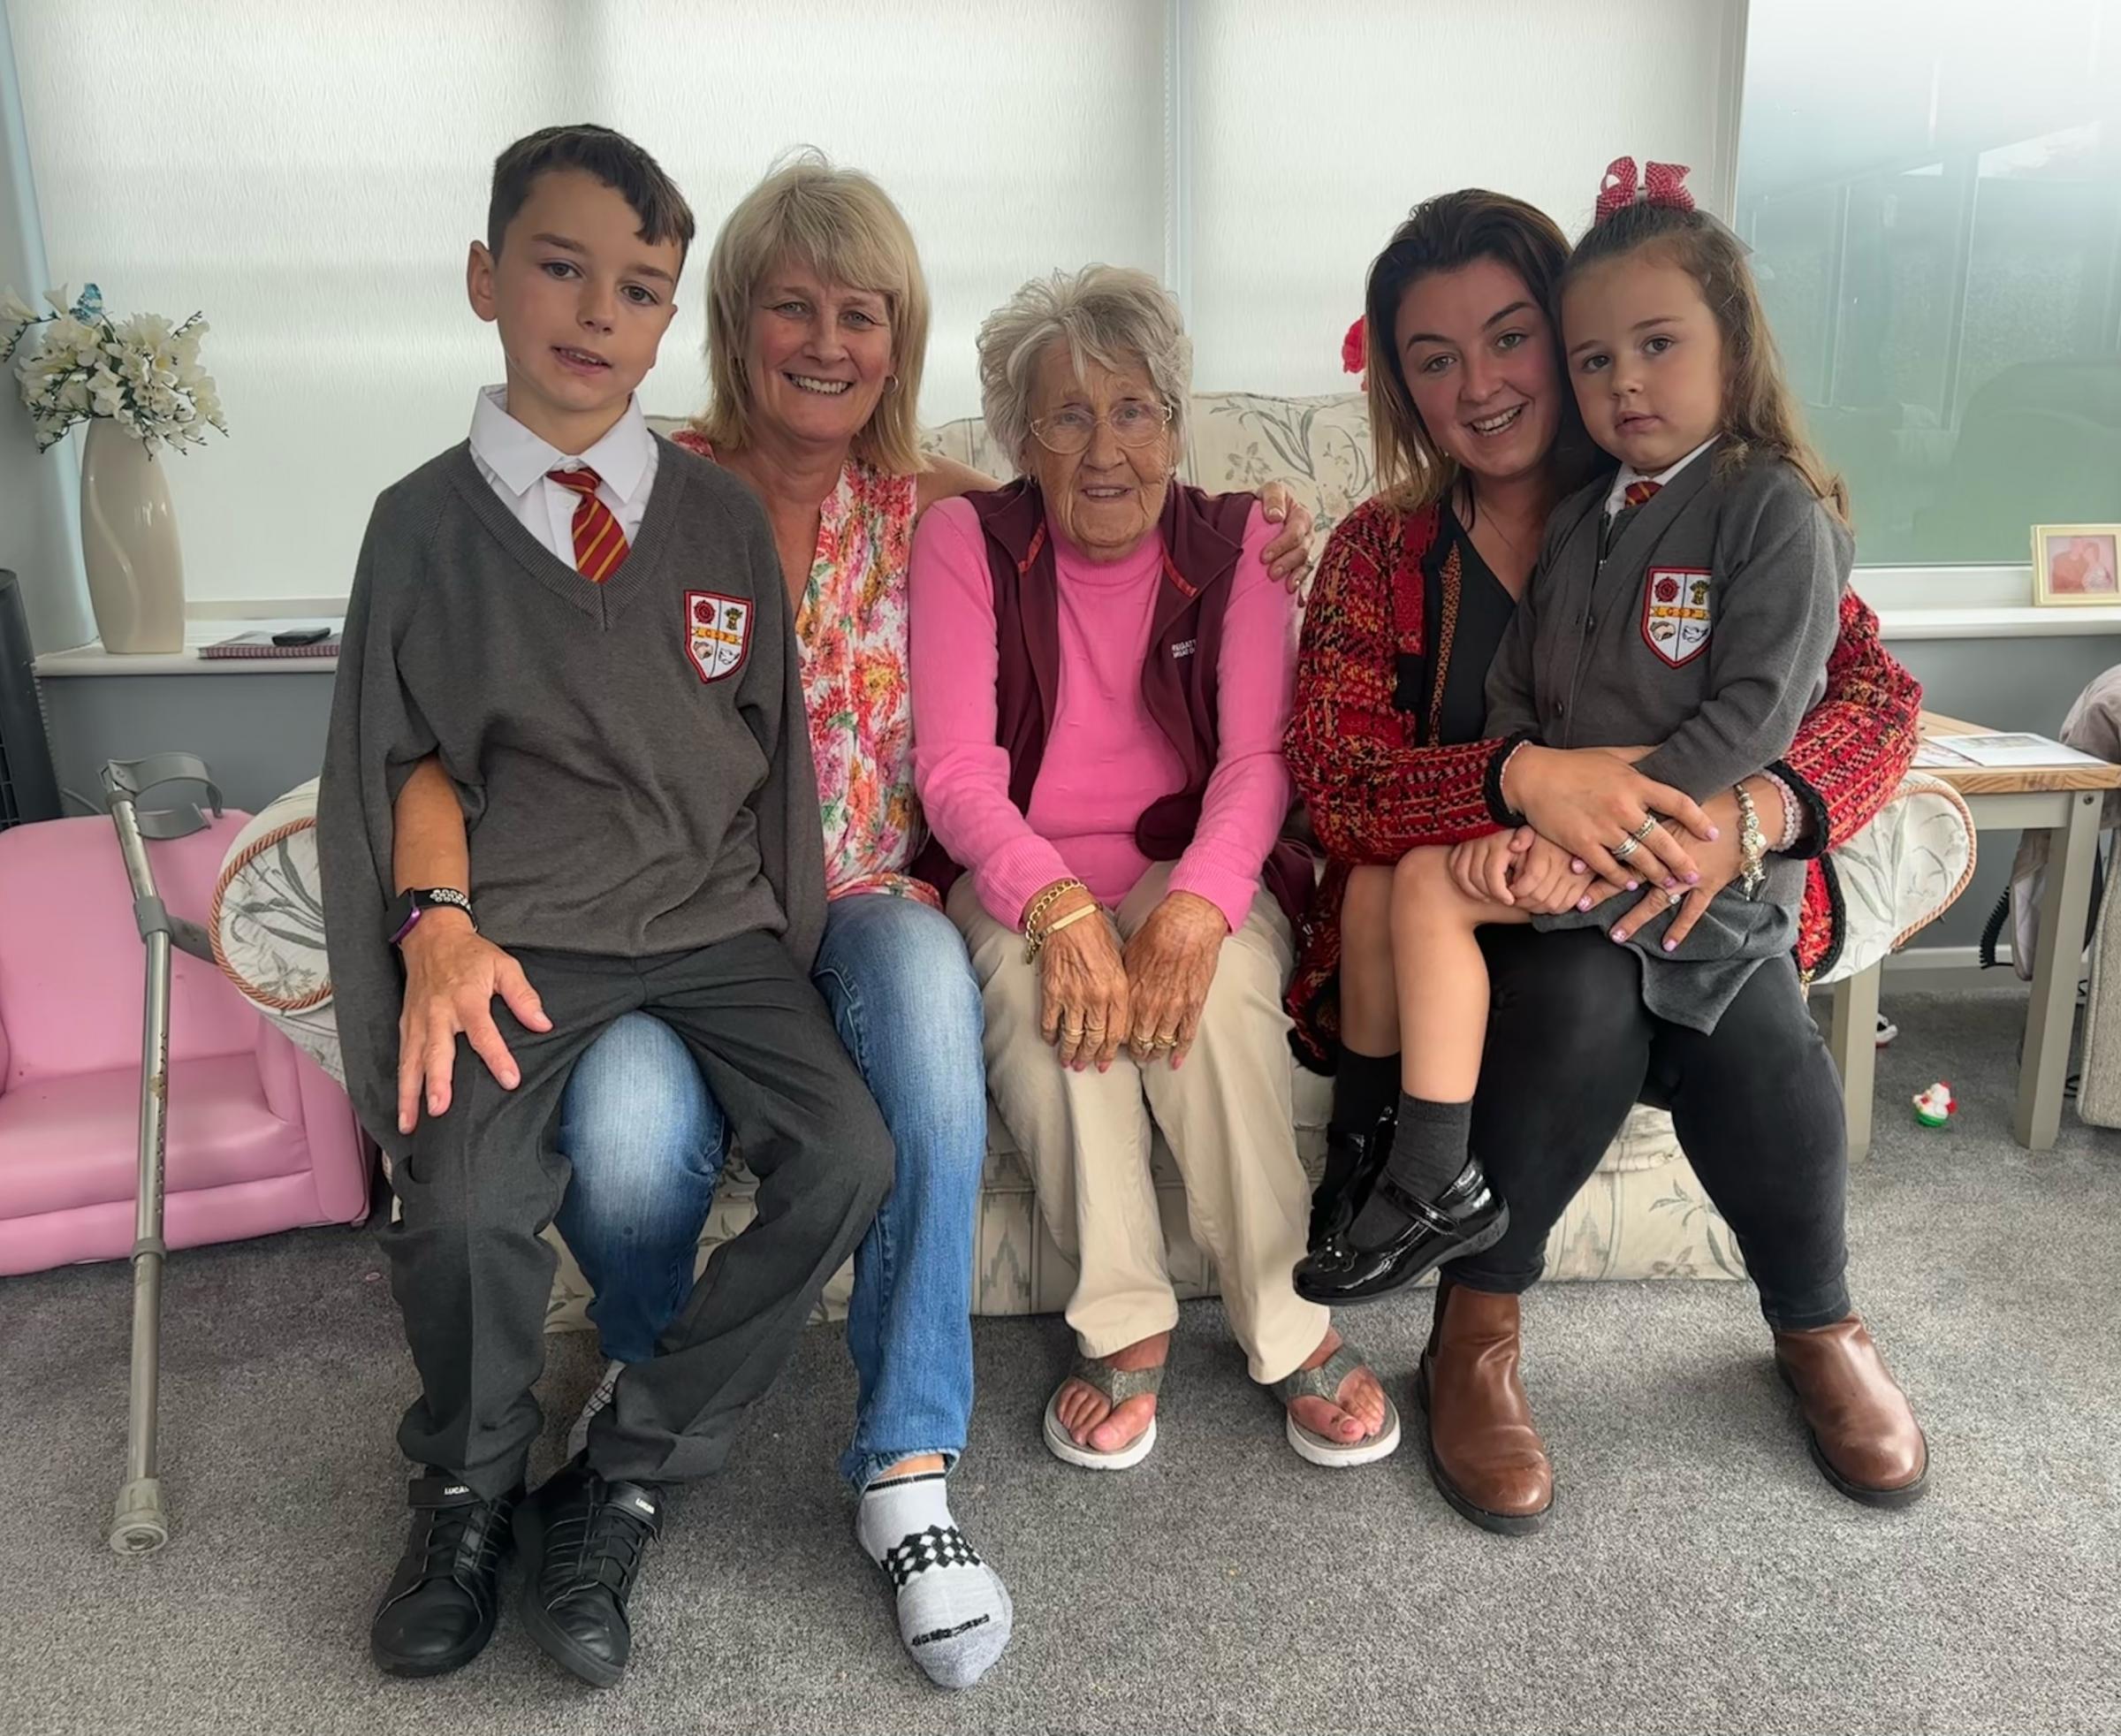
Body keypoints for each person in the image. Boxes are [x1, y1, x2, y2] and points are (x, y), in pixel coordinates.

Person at [384, 155, 1317, 1690]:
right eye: (791, 308)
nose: (828, 342)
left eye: (864, 314)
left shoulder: (931, 511)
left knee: (936, 1037)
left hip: (872, 893)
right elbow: (495, 707)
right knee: (625, 1141)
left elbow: (1107, 517)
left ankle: (906, 1470)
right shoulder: (641, 490)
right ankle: (641, 1396)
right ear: (735, 325)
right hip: (677, 914)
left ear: (900, 337)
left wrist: (1263, 522)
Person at [318, 126, 895, 1690]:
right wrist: (428, 932)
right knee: (456, 1203)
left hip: (712, 932)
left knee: (853, 1156)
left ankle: (626, 1466)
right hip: (525, 937)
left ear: (667, 321)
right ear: (485, 278)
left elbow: (773, 760)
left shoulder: (716, 523)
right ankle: (468, 1482)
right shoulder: (419, 525)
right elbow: (388, 761)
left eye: (638, 288)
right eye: (560, 267)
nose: (594, 311)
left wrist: (781, 961)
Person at [1285, 174, 1928, 1534]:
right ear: (1401, 383)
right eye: (1434, 358)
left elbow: (1872, 694)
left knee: (1757, 1028)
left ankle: (1817, 1324)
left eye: (1512, 338)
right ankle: (1477, 1330)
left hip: (1696, 887)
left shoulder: (1703, 501)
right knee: (1579, 1001)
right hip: (1497, 917)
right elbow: (1337, 785)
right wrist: (1522, 785)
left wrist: (1745, 819)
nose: (1483, 385)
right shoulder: (1385, 552)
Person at [911, 264, 1396, 1476]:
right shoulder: (966, 539)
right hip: (1021, 864)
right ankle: (1123, 1324)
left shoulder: (1238, 541)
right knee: (1043, 997)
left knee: (1220, 987)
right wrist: (1057, 901)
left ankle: (1284, 1321)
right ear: (1022, 438)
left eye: (1136, 410)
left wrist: (1192, 906)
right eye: (1068, 416)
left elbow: (1256, 760)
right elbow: (958, 771)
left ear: (1177, 424)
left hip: (1191, 857)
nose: (1107, 446)